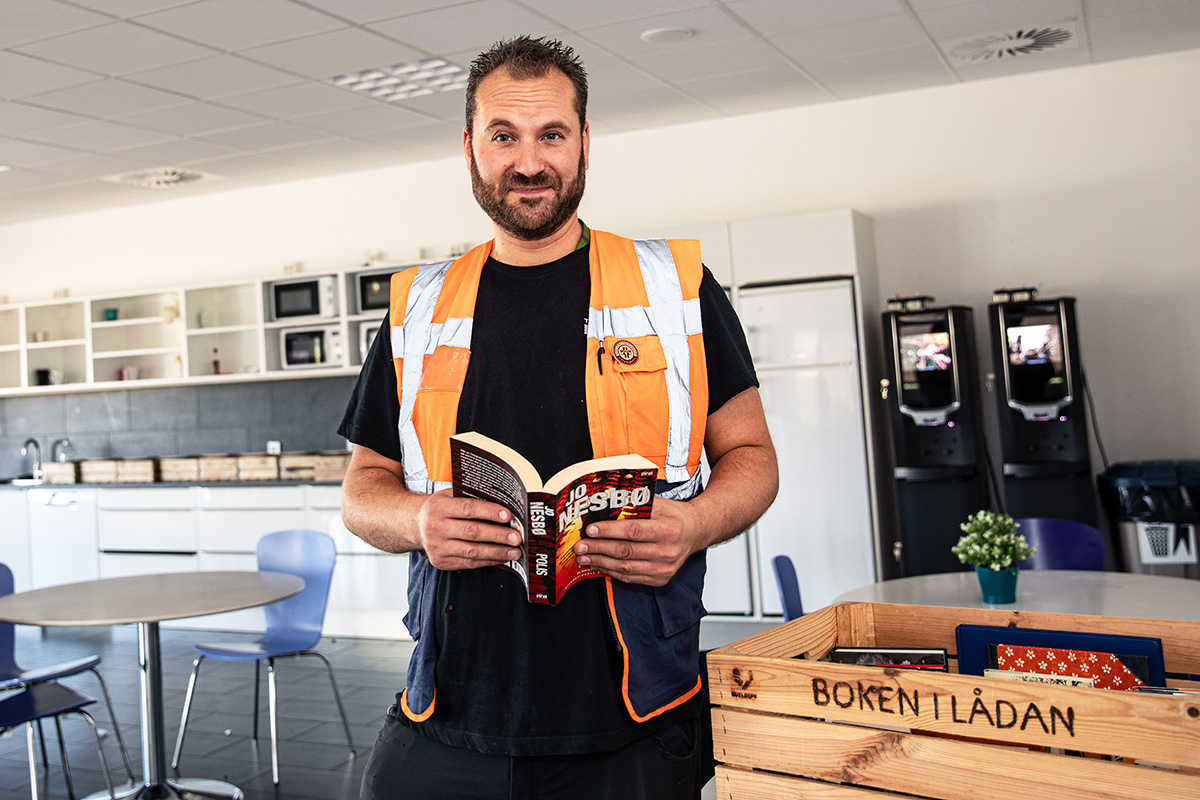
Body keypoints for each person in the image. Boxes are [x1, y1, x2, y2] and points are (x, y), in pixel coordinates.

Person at [339, 35, 778, 800]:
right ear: (469, 147)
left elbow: (752, 457)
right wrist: (417, 522)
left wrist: (694, 525)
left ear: (584, 144)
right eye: (503, 136)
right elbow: (362, 491)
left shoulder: (675, 286)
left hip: (634, 718)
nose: (529, 162)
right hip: (450, 709)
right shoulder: (417, 306)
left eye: (552, 135)